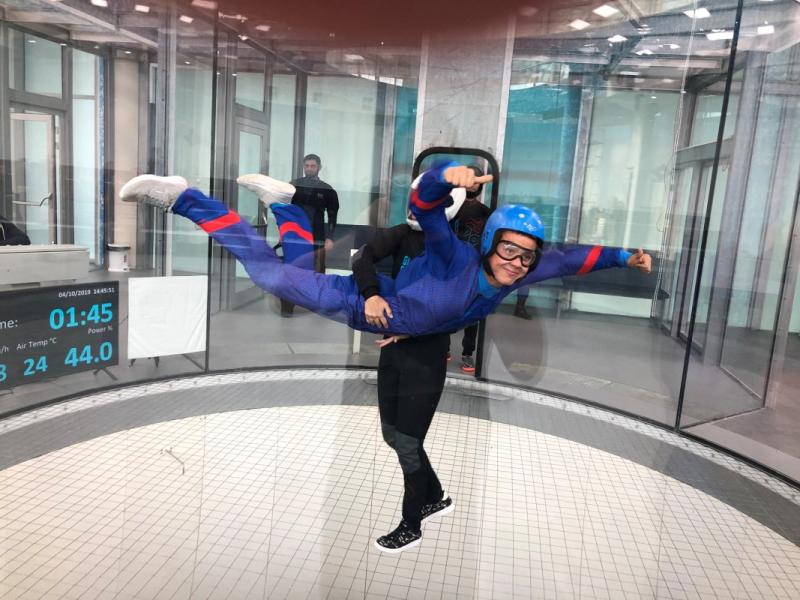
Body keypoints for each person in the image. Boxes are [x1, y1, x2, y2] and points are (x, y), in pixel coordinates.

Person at [120, 163, 651, 339]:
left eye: (526, 257)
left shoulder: (520, 273)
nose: (517, 263)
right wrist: (446, 176)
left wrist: (626, 255)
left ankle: (285, 207)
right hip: (357, 301)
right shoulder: (454, 257)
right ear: (490, 245)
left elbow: (575, 258)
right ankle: (186, 199)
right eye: (508, 250)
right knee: (269, 277)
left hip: (383, 322)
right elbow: (424, 206)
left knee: (292, 271)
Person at [351, 178, 466, 553]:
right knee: (392, 435)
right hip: (393, 349)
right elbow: (362, 257)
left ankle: (411, 524)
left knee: (408, 443)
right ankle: (435, 496)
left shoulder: (455, 252)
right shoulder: (403, 234)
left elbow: (460, 312)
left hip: (426, 357)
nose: (416, 208)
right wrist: (371, 295)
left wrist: (412, 328)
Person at [281, 153, 339, 316]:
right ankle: (287, 307)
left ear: (319, 167)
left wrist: (330, 237)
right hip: (295, 235)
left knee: (318, 270)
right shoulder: (293, 186)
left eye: (313, 166)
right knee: (291, 270)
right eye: (307, 166)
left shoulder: (327, 190)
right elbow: (285, 211)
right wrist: (283, 233)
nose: (309, 169)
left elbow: (332, 215)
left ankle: (318, 304)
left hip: (317, 236)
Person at [449, 165, 491, 373]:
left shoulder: (486, 212)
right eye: (470, 179)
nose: (473, 184)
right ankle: (443, 347)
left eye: (477, 180)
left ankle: (467, 353)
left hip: (474, 268)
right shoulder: (450, 207)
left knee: (473, 312)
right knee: (446, 307)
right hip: (450, 266)